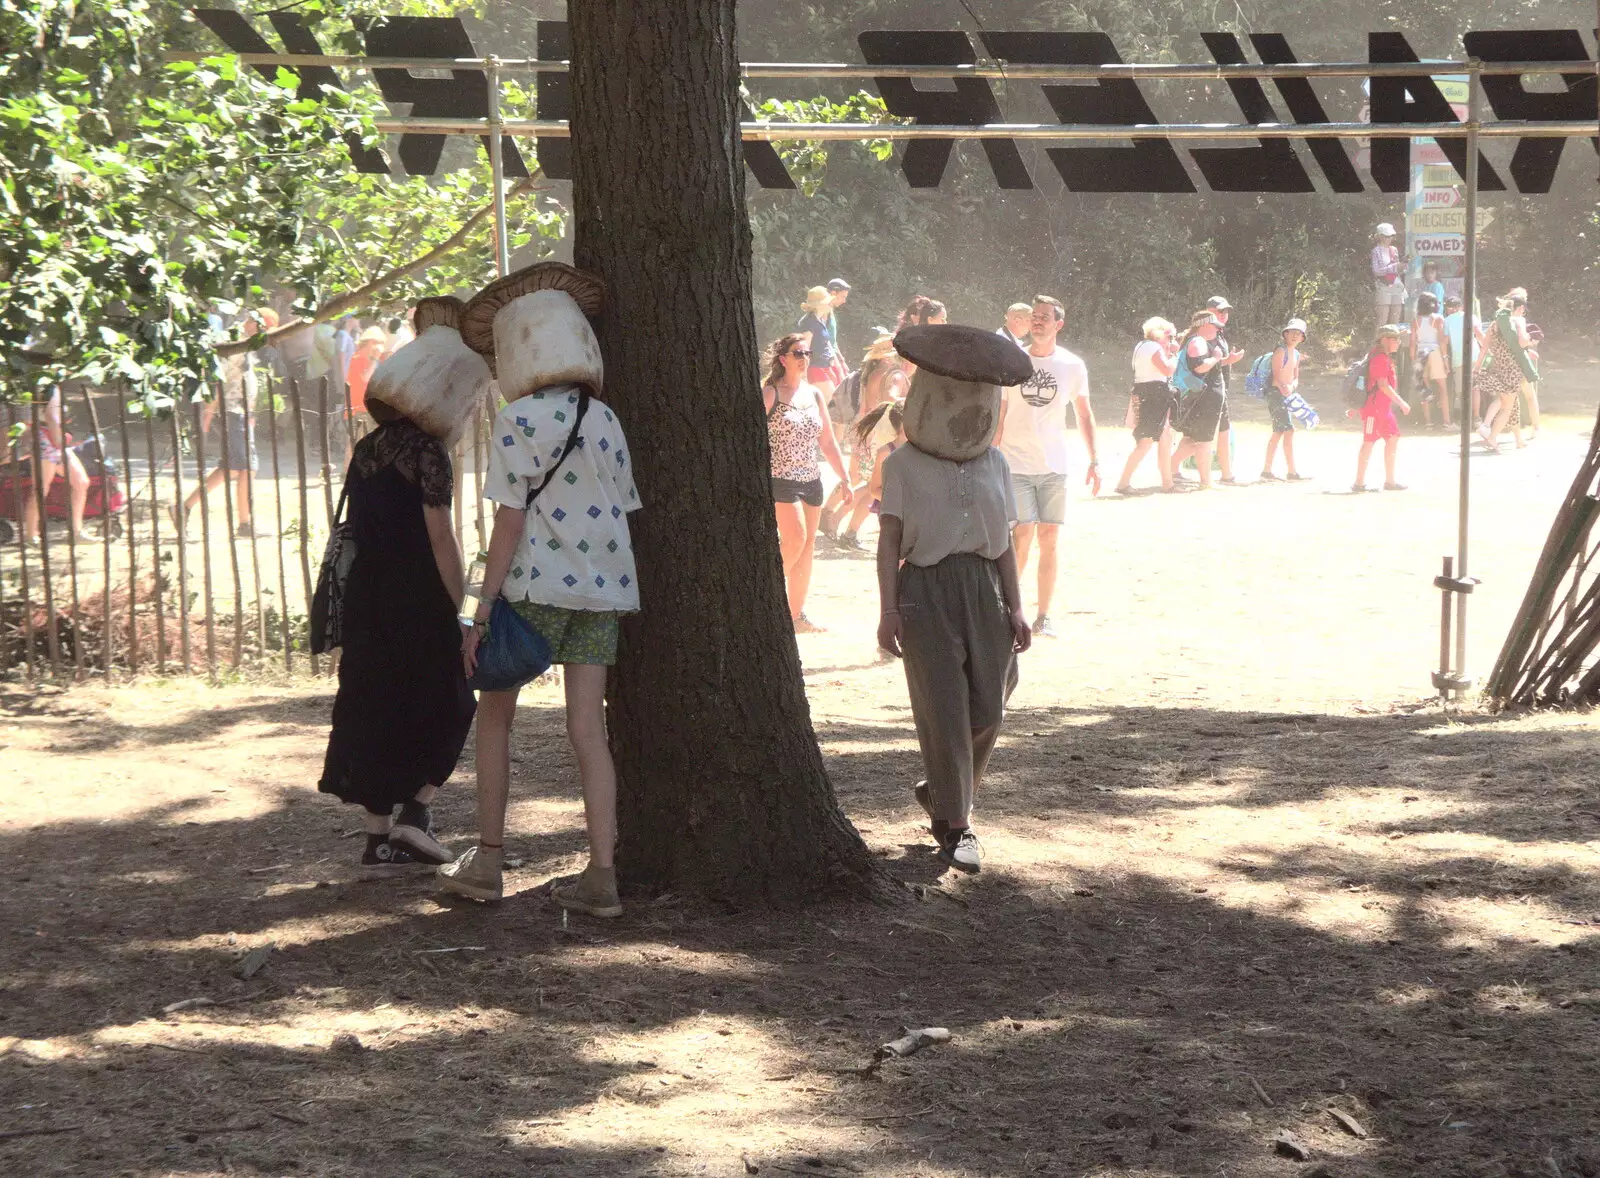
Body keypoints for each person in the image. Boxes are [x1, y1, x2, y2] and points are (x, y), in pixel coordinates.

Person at [443, 263, 642, 915]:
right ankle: (603, 874)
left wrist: (481, 610)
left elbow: (509, 519)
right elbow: (624, 507)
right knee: (589, 730)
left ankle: (489, 861)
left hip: (530, 589)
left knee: (495, 717)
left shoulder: (517, 420)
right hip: (603, 595)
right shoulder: (608, 421)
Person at [318, 296, 485, 871]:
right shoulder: (427, 452)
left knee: (374, 705)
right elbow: (440, 536)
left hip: (368, 595)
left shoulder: (367, 449)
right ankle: (417, 815)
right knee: (454, 700)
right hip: (417, 595)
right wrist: (459, 600)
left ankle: (378, 838)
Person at [877, 324, 1034, 874]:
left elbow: (1006, 543)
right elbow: (890, 540)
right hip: (925, 590)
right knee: (943, 709)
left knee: (989, 706)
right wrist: (889, 609)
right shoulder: (901, 465)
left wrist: (1017, 606)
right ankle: (959, 827)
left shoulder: (997, 465)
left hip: (986, 591)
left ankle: (942, 792)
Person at [996, 295, 1099, 638]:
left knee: (1050, 537)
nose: (1037, 321)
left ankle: (1044, 615)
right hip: (1014, 462)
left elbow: (1084, 414)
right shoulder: (1012, 360)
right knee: (1022, 533)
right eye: (1034, 316)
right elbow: (1000, 413)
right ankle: (1012, 611)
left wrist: (1095, 459)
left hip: (1054, 465)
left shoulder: (1072, 366)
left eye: (1045, 317)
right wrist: (989, 458)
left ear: (1059, 325)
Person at [763, 333, 852, 631]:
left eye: (806, 353)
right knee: (795, 539)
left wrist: (845, 477)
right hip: (781, 478)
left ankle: (795, 616)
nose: (803, 358)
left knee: (807, 546)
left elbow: (827, 440)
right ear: (783, 359)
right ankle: (764, 601)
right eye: (797, 353)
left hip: (811, 479)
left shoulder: (814, 394)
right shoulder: (770, 393)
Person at [178, 313, 263, 538]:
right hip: (232, 411)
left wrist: (252, 410)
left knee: (238, 468)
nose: (264, 332)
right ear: (253, 321)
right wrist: (208, 413)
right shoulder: (234, 343)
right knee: (244, 467)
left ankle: (186, 509)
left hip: (242, 412)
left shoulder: (246, 344)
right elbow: (219, 380)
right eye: (263, 326)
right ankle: (242, 523)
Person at [1167, 312, 1239, 489]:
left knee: (1194, 440)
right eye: (1214, 325)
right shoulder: (1198, 342)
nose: (1218, 328)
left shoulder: (1195, 341)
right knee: (1204, 441)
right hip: (1203, 398)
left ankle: (1169, 468)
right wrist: (1216, 357)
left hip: (1200, 396)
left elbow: (1203, 367)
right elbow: (1199, 368)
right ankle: (1206, 482)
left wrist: (1225, 360)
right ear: (1204, 325)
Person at [20, 385, 90, 545]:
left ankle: (76, 532)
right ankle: (31, 536)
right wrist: (58, 442)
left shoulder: (41, 385)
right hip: (49, 439)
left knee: (80, 482)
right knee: (40, 489)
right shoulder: (49, 386)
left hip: (50, 439)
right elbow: (51, 416)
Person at [1115, 317, 1177, 494]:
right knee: (1145, 441)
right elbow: (1167, 369)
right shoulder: (1153, 347)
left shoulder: (1143, 346)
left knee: (1165, 437)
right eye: (1169, 335)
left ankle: (1168, 483)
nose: (1170, 340)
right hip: (1153, 395)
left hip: (1149, 393)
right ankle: (1123, 483)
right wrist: (1173, 355)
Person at [833, 401, 906, 551]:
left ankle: (840, 524)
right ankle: (837, 520)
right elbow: (874, 489)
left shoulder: (920, 451)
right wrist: (900, 501)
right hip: (893, 513)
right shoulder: (886, 452)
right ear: (903, 423)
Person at [1476, 290, 1537, 454]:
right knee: (1507, 407)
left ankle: (1491, 431)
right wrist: (1533, 341)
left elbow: (1484, 348)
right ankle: (1492, 437)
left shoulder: (1495, 324)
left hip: (1497, 367)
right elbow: (1523, 341)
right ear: (1519, 308)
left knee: (1503, 403)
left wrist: (1476, 368)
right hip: (1512, 369)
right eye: (1523, 308)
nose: (1523, 311)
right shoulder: (1518, 321)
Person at [1353, 324, 1410, 491]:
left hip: (1383, 409)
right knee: (1369, 441)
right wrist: (1401, 402)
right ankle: (1359, 482)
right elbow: (1382, 385)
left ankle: (1390, 481)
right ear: (1384, 340)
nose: (1398, 342)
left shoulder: (1382, 357)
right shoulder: (1378, 358)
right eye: (1395, 339)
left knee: (1392, 437)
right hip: (1373, 409)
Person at [1260, 319, 1312, 482]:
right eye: (1293, 332)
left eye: (1299, 333)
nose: (1296, 335)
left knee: (1281, 431)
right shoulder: (1280, 351)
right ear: (1286, 334)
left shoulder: (1296, 354)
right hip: (1275, 394)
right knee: (1285, 430)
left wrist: (1291, 387)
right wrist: (1285, 388)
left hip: (1286, 394)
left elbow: (1296, 378)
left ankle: (1283, 471)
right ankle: (1278, 472)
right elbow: (1275, 379)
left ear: (1303, 337)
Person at [1204, 296, 1243, 484]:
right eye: (1220, 311)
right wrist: (1229, 360)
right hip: (1210, 390)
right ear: (1208, 311)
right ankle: (1227, 475)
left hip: (1219, 389)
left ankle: (1227, 474)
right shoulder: (1206, 335)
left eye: (1226, 311)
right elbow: (1204, 364)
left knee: (1217, 432)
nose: (1224, 314)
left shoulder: (1218, 333)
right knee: (1213, 433)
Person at [1411, 293, 1451, 429]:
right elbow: (1441, 341)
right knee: (1442, 389)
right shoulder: (1438, 319)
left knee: (1424, 389)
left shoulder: (1415, 321)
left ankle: (1428, 423)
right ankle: (1447, 422)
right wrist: (1445, 359)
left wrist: (1414, 361)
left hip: (1420, 354)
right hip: (1434, 353)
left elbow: (1412, 343)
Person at [1442, 295, 1485, 422]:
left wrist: (1445, 359)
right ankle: (1476, 418)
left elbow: (1444, 341)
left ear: (1449, 309)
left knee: (1460, 392)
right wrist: (1489, 350)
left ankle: (1462, 419)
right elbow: (1479, 335)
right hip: (1474, 356)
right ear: (1460, 307)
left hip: (1458, 359)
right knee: (1475, 388)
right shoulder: (1471, 316)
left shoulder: (1447, 320)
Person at [796, 286, 840, 403]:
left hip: (822, 367)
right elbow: (803, 349)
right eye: (827, 302)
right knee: (830, 402)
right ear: (820, 304)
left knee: (829, 402)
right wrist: (804, 375)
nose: (830, 304)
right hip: (814, 368)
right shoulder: (809, 322)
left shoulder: (818, 320)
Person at [1371, 223, 1406, 334]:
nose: (1389, 238)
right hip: (1383, 285)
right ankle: (1377, 348)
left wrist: (1403, 266)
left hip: (1396, 283)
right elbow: (1376, 271)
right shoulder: (1376, 251)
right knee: (1382, 320)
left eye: (1391, 236)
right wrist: (1394, 266)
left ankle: (1392, 348)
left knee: (1395, 320)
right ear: (1380, 236)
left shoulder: (1394, 249)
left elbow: (1397, 269)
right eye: (1386, 236)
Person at [825, 278, 852, 382]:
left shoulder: (830, 311)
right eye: (843, 296)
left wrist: (841, 359)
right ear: (833, 293)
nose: (844, 301)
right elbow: (824, 340)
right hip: (827, 359)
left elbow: (832, 340)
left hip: (833, 356)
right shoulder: (824, 312)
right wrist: (836, 362)